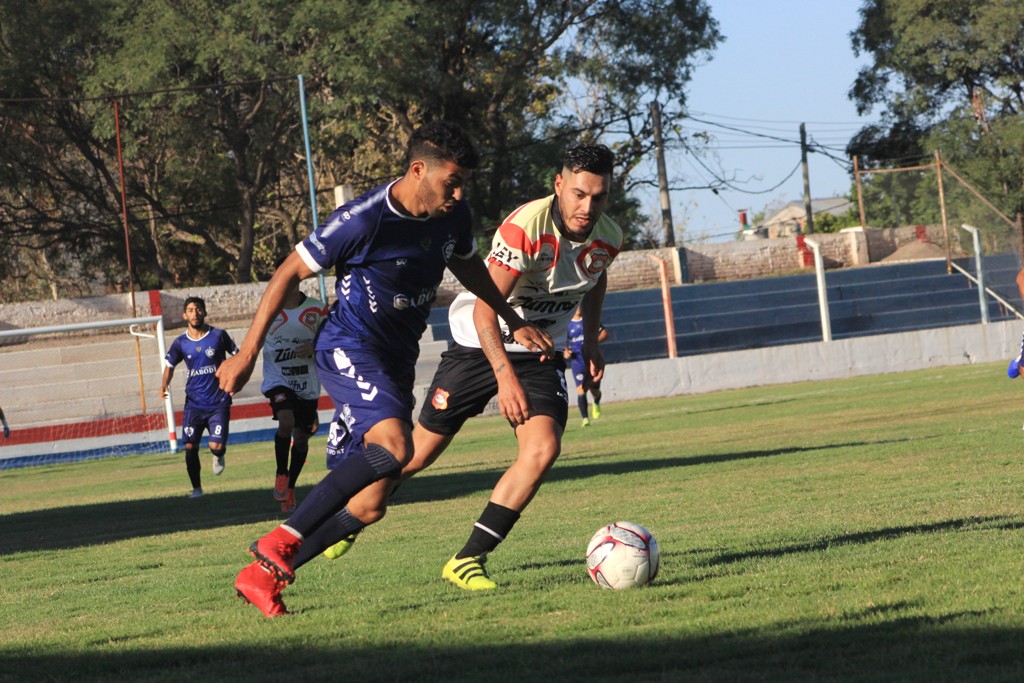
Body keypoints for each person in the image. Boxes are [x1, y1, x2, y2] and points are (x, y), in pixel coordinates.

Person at [219, 121, 553, 617]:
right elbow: (289, 271)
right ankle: (281, 538)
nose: (458, 193)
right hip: (349, 345)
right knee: (398, 447)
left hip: (396, 359)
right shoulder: (362, 219)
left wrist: (511, 320)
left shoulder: (452, 215)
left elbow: (469, 267)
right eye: (451, 182)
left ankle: (260, 578)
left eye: (463, 185)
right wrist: (247, 353)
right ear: (418, 170)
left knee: (371, 504)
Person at [315, 142, 623, 591]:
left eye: (598, 196)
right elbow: (484, 311)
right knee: (415, 455)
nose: (587, 206)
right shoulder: (526, 228)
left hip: (538, 351)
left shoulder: (608, 234)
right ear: (559, 185)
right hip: (479, 344)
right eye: (579, 194)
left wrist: (591, 340)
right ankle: (349, 515)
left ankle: (467, 560)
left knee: (542, 450)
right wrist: (504, 379)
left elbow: (595, 276)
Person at [260, 274, 327, 513]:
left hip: (307, 384)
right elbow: (252, 340)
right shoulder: (268, 308)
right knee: (285, 421)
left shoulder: (317, 309)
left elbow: (333, 337)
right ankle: (281, 473)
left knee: (301, 438)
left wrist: (316, 345)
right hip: (278, 379)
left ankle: (290, 486)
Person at [161, 297, 239, 498]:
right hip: (194, 404)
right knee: (190, 446)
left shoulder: (219, 335)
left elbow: (238, 357)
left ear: (204, 312)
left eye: (198, 309)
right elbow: (169, 366)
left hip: (218, 402)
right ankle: (197, 489)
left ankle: (218, 455)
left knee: (217, 445)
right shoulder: (181, 343)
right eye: (190, 310)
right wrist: (164, 384)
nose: (194, 313)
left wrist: (234, 381)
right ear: (184, 315)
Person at [564, 306, 609, 427]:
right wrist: (565, 351)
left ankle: (596, 400)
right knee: (581, 389)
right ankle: (585, 419)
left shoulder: (589, 320)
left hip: (591, 360)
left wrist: (592, 343)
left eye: (580, 305)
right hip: (577, 362)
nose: (579, 308)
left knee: (594, 390)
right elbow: (562, 342)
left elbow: (604, 334)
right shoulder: (567, 323)